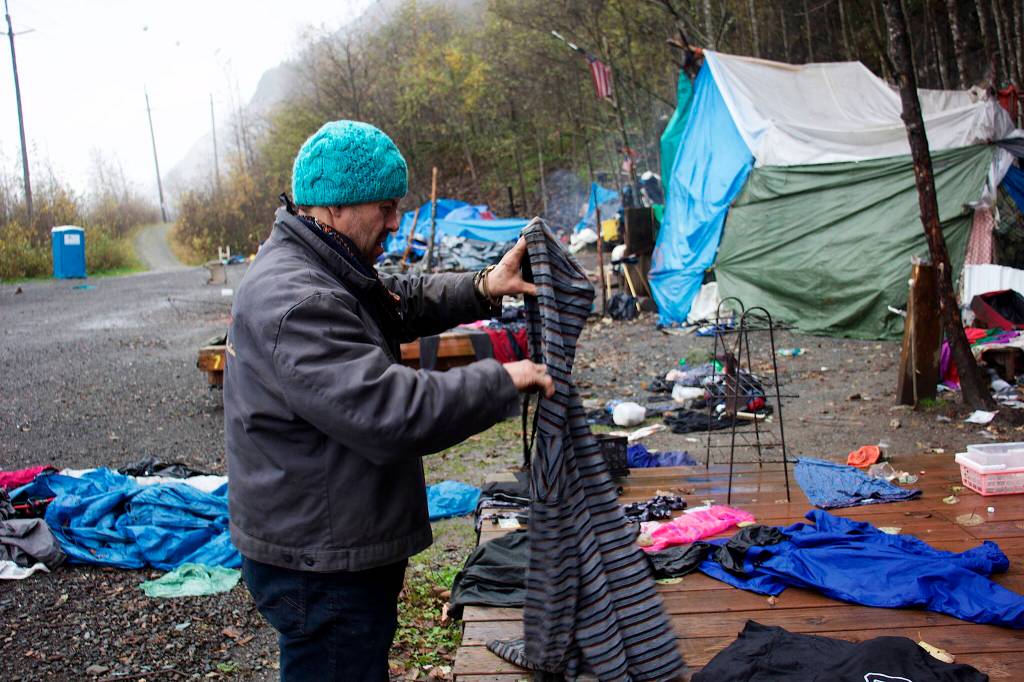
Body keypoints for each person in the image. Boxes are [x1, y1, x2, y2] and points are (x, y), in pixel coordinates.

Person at [223, 120, 554, 681]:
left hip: (325, 538)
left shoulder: (321, 265)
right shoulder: (297, 299)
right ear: (337, 206)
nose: (396, 222)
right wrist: (504, 380)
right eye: (386, 207)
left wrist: (482, 287)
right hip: (321, 562)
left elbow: (396, 298)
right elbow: (389, 411)